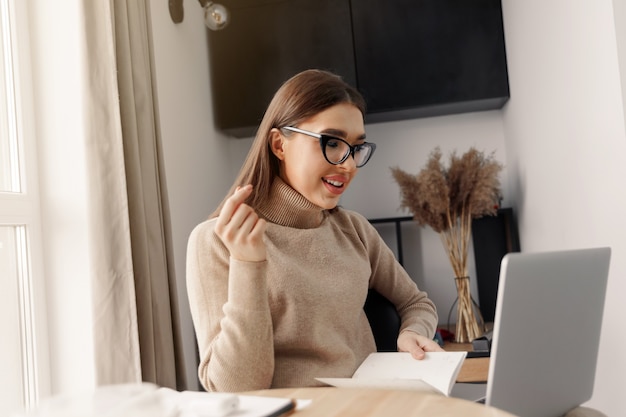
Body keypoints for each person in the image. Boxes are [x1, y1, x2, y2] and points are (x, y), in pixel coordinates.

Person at [186, 69, 442, 393]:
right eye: (332, 143)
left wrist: (412, 331)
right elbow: (236, 390)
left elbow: (416, 303)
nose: (347, 165)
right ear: (279, 144)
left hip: (371, 407)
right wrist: (248, 263)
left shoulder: (355, 230)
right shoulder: (215, 241)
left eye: (356, 148)